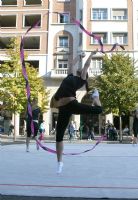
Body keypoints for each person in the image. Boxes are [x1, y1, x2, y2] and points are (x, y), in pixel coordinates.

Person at [50, 50, 102, 174]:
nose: (79, 70)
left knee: (98, 110)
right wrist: (79, 56)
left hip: (72, 105)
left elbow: (86, 66)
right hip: (64, 108)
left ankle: (96, 98)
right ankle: (59, 163)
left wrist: (91, 55)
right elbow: (71, 64)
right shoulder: (69, 76)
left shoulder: (81, 79)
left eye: (82, 72)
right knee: (58, 136)